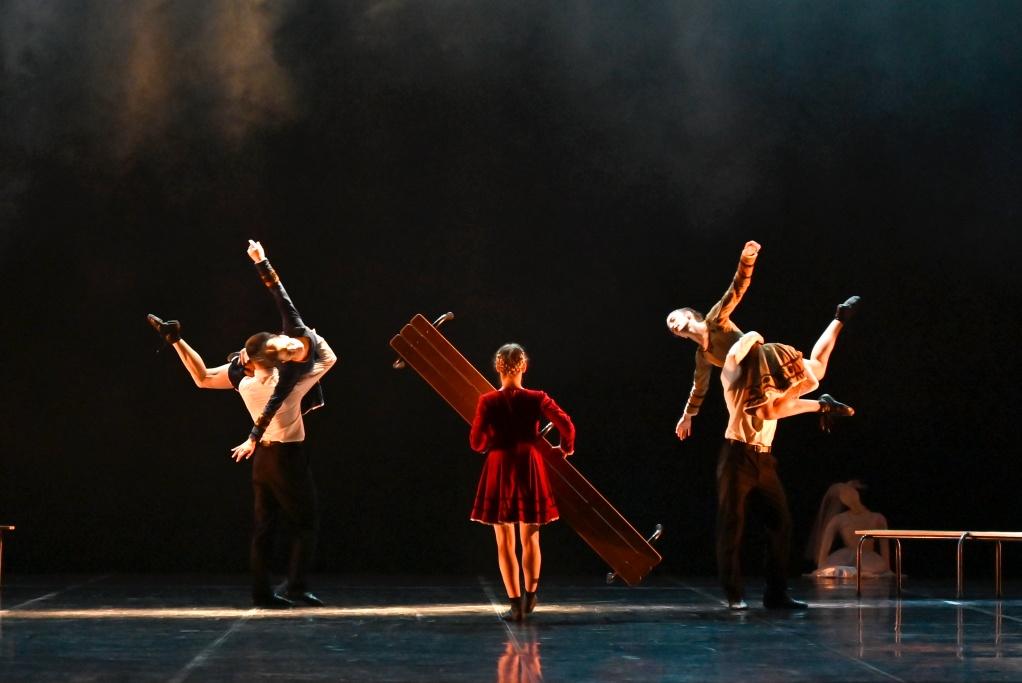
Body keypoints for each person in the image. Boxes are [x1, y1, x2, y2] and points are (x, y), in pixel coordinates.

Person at [147, 240, 336, 608]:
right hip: (287, 458)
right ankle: (295, 586)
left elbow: (201, 377)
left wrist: (177, 342)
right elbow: (328, 358)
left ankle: (261, 594)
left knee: (264, 528)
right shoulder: (290, 381)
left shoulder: (242, 377)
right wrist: (311, 335)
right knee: (307, 523)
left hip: (262, 463)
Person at [668, 240, 859, 440]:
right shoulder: (702, 356)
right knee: (818, 369)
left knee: (770, 410)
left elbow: (736, 289)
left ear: (688, 314)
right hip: (752, 380)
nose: (672, 325)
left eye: (673, 319)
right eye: (670, 327)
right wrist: (687, 416)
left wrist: (747, 258)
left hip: (764, 360)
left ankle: (823, 405)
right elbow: (698, 387)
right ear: (680, 335)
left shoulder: (714, 320)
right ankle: (840, 319)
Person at [469, 343, 575, 622]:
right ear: (524, 366)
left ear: (497, 368)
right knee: (531, 539)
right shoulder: (536, 398)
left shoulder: (488, 401)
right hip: (530, 466)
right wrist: (565, 447)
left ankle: (515, 604)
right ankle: (530, 596)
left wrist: (490, 441)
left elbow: (476, 442)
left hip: (500, 466)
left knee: (504, 542)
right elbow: (566, 423)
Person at [713, 331, 806, 610]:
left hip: (764, 460)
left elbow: (810, 379)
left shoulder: (773, 388)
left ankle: (776, 594)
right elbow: (732, 355)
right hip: (737, 456)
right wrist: (754, 335)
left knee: (781, 522)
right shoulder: (733, 380)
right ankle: (734, 594)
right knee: (732, 524)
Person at [805, 481, 891, 578]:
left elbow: (885, 548)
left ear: (858, 493)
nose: (848, 497)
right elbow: (824, 550)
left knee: (866, 570)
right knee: (841, 570)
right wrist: (822, 565)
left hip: (869, 558)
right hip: (845, 557)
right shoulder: (839, 519)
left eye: (850, 492)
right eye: (844, 494)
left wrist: (886, 568)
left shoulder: (878, 518)